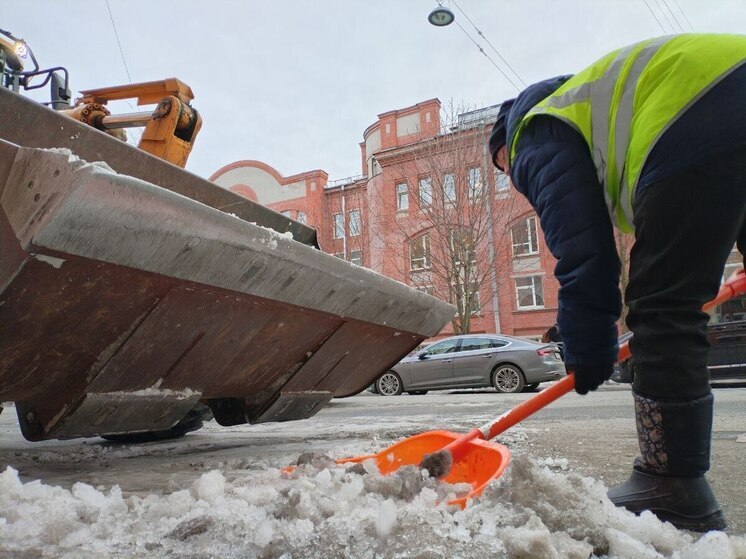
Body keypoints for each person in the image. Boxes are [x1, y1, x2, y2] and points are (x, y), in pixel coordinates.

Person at [488, 33, 746, 532]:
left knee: (662, 307)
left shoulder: (535, 132)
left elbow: (583, 248)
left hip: (698, 111)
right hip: (724, 95)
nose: (512, 178)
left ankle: (672, 485)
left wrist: (588, 344)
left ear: (504, 147)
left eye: (503, 169)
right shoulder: (596, 113)